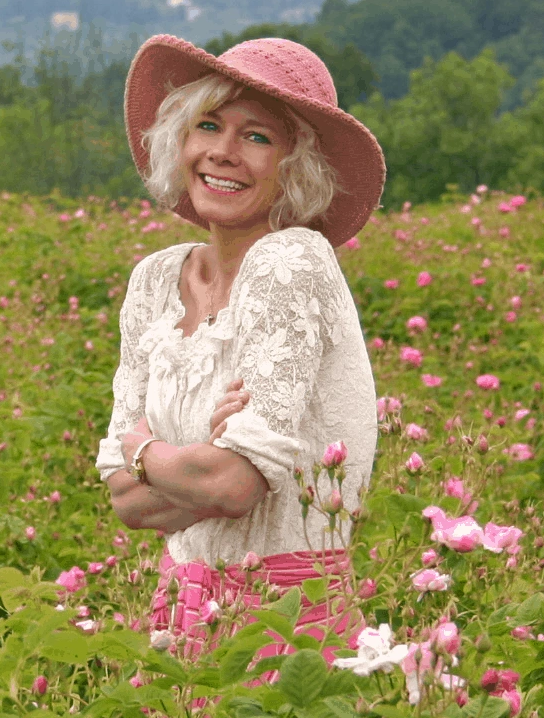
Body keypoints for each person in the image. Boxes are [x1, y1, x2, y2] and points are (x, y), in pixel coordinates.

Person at [96, 34, 385, 659]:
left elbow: (230, 487)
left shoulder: (292, 260)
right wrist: (200, 453)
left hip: (287, 621)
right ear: (180, 141)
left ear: (296, 165)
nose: (223, 153)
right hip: (178, 613)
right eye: (208, 125)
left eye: (257, 137)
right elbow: (125, 500)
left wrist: (149, 448)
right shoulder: (155, 279)